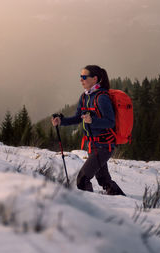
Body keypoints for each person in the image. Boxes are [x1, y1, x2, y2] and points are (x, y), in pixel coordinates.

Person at [51, 65, 125, 196]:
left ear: (95, 79)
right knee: (104, 180)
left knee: (82, 179)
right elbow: (77, 118)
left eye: (84, 77)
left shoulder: (102, 97)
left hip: (104, 146)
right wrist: (61, 121)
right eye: (80, 77)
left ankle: (89, 210)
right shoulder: (84, 97)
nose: (81, 80)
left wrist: (93, 121)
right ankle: (123, 201)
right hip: (93, 146)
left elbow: (110, 122)